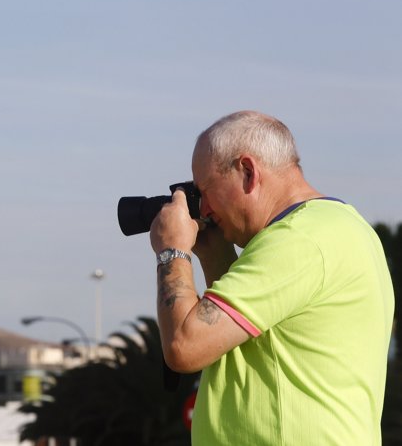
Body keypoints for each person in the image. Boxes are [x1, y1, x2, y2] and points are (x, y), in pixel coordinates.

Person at [150, 110, 394, 445]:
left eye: (204, 190)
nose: (202, 209)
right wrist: (215, 255)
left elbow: (184, 346)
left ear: (248, 172)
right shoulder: (337, 227)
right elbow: (258, 343)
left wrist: (172, 251)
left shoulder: (298, 240)